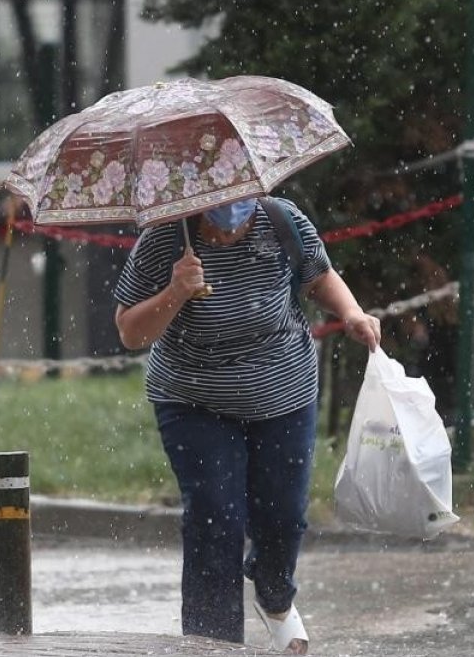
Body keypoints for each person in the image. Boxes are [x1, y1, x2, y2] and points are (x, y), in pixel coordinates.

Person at [113, 196, 380, 654]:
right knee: (215, 518)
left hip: (284, 393)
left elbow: (319, 277)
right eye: (220, 205)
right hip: (194, 401)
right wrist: (176, 290)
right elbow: (130, 331)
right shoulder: (165, 237)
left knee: (284, 517)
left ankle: (275, 595)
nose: (232, 215)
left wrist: (351, 312)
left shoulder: (281, 220)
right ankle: (212, 643)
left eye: (242, 203)